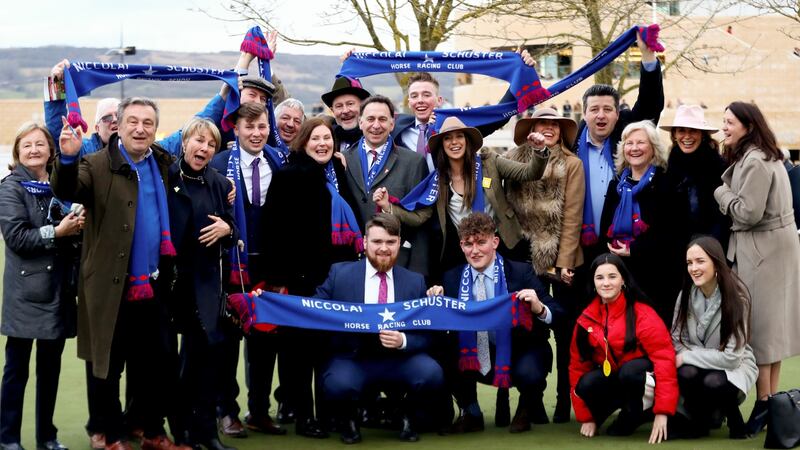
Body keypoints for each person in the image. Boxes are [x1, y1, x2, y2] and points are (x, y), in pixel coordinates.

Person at [52, 97, 189, 450]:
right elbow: (67, 188)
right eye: (133, 121)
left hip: (155, 284)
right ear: (119, 125)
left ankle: (150, 430)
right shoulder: (96, 164)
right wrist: (66, 158)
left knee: (155, 363)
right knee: (108, 367)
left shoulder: (162, 163)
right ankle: (111, 435)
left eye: (147, 122)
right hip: (110, 285)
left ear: (155, 128)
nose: (140, 129)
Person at [259, 117, 362, 439]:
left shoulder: (335, 172)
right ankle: (304, 416)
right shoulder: (289, 175)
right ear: (303, 142)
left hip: (335, 277)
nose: (322, 144)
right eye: (316, 138)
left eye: (327, 138)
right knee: (299, 354)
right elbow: (273, 229)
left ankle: (330, 414)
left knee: (327, 350)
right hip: (301, 279)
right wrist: (280, 278)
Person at [316, 213, 444, 444]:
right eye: (377, 241)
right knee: (337, 384)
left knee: (431, 374)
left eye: (390, 242)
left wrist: (404, 340)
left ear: (399, 243)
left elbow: (429, 335)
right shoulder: (339, 274)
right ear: (365, 242)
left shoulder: (415, 281)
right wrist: (268, 302)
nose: (384, 248)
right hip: (353, 358)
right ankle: (349, 419)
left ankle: (407, 415)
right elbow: (310, 309)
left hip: (400, 360)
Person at [429, 212, 561, 434]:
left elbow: (558, 313)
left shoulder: (521, 272)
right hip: (475, 354)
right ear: (461, 246)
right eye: (468, 244)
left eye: (481, 242)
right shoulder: (451, 278)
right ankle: (471, 413)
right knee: (441, 351)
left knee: (533, 366)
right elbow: (442, 324)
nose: (475, 250)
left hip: (518, 352)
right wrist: (436, 303)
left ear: (495, 242)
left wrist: (539, 308)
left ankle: (525, 409)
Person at [713, 101, 800, 436]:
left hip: (762, 249)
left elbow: (748, 213)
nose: (724, 127)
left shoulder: (755, 160)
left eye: (730, 122)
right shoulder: (765, 155)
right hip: (774, 247)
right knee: (772, 330)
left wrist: (721, 193)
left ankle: (764, 403)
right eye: (723, 121)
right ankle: (770, 401)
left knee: (762, 330)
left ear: (748, 126)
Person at [374, 116, 548, 282]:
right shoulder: (437, 181)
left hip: (502, 244)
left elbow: (530, 172)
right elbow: (420, 216)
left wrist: (539, 151)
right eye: (448, 138)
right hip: (466, 251)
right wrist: (388, 206)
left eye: (459, 136)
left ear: (467, 141)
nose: (454, 142)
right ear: (442, 145)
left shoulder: (490, 163)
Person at [0, 123, 82, 450]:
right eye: (27, 145)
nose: (34, 150)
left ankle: (47, 437)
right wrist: (58, 233)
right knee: (16, 370)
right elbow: (17, 238)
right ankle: (8, 439)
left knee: (50, 371)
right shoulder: (10, 187)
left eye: (40, 144)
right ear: (18, 152)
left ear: (51, 151)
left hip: (59, 290)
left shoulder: (60, 186)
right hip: (25, 295)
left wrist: (77, 228)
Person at [209, 102, 287, 437]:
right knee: (227, 344)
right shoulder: (218, 164)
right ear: (236, 129)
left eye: (262, 127)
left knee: (264, 343)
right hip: (230, 267)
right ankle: (227, 411)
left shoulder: (279, 161)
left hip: (268, 267)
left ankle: (259, 410)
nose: (256, 133)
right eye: (249, 127)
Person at [504, 107, 585, 423]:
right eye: (543, 123)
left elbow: (572, 216)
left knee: (564, 332)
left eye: (555, 124)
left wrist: (564, 262)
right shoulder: (513, 157)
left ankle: (564, 399)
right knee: (528, 329)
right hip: (521, 255)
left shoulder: (572, 164)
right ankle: (531, 400)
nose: (549, 128)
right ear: (531, 128)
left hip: (558, 257)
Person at [572, 31, 664, 305]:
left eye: (607, 109)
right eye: (594, 109)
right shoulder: (570, 141)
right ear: (584, 113)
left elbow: (650, 104)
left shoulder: (625, 135)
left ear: (617, 113)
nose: (601, 115)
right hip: (580, 247)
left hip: (620, 246)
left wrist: (647, 56)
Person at [166, 118, 237, 450]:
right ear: (185, 143)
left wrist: (228, 229)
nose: (204, 148)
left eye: (211, 144)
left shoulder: (219, 183)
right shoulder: (166, 177)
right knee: (173, 362)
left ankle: (206, 432)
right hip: (170, 284)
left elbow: (232, 227)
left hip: (206, 284)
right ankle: (179, 430)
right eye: (199, 141)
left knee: (206, 360)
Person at [569, 253, 678, 444]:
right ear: (593, 283)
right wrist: (588, 417)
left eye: (612, 276)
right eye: (599, 277)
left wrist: (663, 411)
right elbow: (577, 367)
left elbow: (664, 361)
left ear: (623, 280)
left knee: (630, 371)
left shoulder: (643, 314)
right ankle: (621, 411)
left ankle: (640, 413)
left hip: (642, 380)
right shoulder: (585, 320)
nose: (606, 283)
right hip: (617, 380)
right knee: (587, 383)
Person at [599, 120, 688, 326]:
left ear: (653, 147)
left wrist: (634, 250)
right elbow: (605, 228)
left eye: (641, 142)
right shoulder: (616, 186)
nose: (634, 148)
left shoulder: (667, 183)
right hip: (621, 275)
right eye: (629, 143)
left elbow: (673, 233)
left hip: (657, 277)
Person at [670, 236, 757, 439]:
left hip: (734, 367)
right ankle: (700, 421)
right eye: (689, 263)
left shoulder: (738, 298)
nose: (693, 268)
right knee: (687, 373)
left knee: (713, 380)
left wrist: (688, 356)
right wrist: (694, 356)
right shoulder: (685, 295)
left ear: (716, 263)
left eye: (700, 261)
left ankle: (732, 415)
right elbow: (677, 340)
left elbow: (732, 358)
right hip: (700, 364)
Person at [339, 95, 428, 274]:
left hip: (398, 263)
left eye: (382, 119)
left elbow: (422, 219)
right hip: (351, 264)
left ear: (392, 124)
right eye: (370, 119)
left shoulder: (413, 162)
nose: (376, 125)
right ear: (360, 122)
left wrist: (418, 272)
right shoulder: (342, 160)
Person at [661, 105, 730, 247]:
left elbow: (722, 217)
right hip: (676, 248)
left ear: (702, 134)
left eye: (693, 130)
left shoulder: (718, 167)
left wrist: (708, 247)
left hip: (710, 245)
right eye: (681, 130)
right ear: (674, 135)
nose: (687, 136)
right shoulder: (669, 167)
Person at [320, 77, 371, 151]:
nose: (345, 111)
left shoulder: (378, 139)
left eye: (350, 104)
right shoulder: (323, 142)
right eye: (339, 106)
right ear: (332, 110)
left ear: (362, 106)